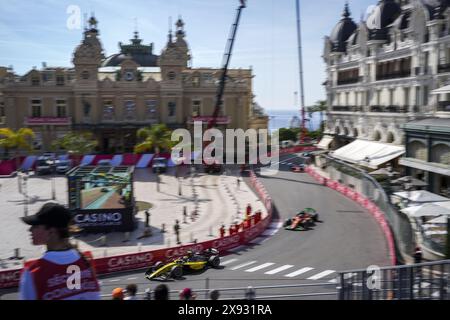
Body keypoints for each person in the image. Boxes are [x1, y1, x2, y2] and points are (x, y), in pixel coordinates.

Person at [19, 203, 100, 300]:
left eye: (35, 226)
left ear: (51, 232)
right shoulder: (86, 264)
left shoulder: (33, 274)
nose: (30, 229)